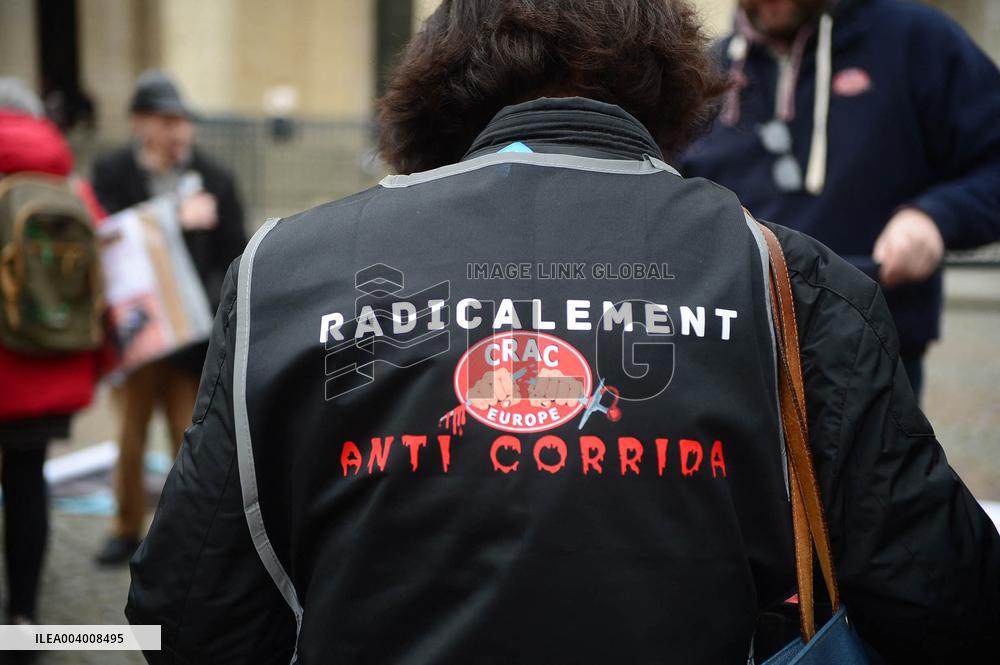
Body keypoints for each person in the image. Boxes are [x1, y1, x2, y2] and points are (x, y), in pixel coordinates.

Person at [125, 1, 999, 662]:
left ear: (438, 80)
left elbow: (187, 615)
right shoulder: (798, 288)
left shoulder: (285, 271)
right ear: (667, 75)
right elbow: (945, 602)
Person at [681, 0, 1000, 398]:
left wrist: (935, 217)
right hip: (730, 352)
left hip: (870, 355)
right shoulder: (702, 72)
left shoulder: (916, 40)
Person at [91, 70, 246, 565]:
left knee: (190, 439)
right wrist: (172, 217)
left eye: (184, 121)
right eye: (167, 120)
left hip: (190, 344)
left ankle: (187, 536)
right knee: (130, 438)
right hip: (136, 339)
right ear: (141, 124)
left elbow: (235, 254)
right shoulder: (112, 171)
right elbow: (109, 239)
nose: (180, 132)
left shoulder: (216, 177)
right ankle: (124, 528)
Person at [0, 77, 108, 624]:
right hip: (47, 368)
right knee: (26, 484)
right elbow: (108, 280)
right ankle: (22, 619)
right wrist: (102, 364)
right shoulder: (71, 185)